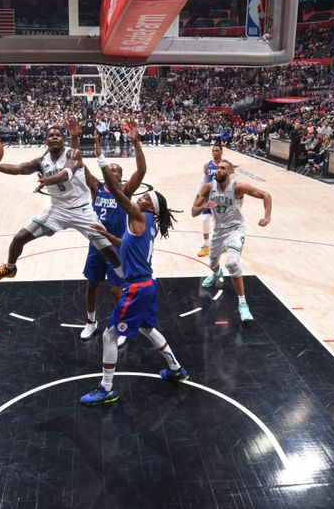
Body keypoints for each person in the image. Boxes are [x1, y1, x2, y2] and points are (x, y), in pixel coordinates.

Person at [80, 147, 187, 405]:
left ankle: (107, 389)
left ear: (150, 205)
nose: (140, 197)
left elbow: (117, 192)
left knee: (109, 336)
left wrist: (102, 160)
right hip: (148, 284)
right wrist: (107, 236)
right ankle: (176, 370)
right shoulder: (145, 223)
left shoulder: (139, 215)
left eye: (145, 197)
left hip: (137, 287)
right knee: (148, 328)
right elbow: (126, 243)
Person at [0, 121, 121, 283]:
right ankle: (10, 269)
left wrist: (48, 180)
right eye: (51, 136)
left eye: (58, 136)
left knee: (109, 251)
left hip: (82, 211)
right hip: (57, 211)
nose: (54, 138)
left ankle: (127, 276)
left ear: (63, 139)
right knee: (19, 238)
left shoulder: (73, 154)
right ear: (46, 140)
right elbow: (18, 169)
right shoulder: (41, 162)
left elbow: (67, 173)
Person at [80, 123, 147, 345]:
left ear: (121, 176)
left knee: (117, 289)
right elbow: (80, 165)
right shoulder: (96, 187)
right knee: (92, 283)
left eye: (116, 169)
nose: (112, 170)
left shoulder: (125, 191)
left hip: (118, 246)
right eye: (110, 168)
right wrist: (83, 142)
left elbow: (142, 171)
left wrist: (136, 143)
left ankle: (121, 325)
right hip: (96, 244)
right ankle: (91, 321)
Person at [192, 160, 272, 322]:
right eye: (217, 168)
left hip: (236, 229)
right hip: (218, 232)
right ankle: (216, 274)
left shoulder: (237, 187)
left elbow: (266, 195)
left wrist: (267, 216)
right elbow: (193, 211)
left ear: (229, 172)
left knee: (232, 263)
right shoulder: (208, 187)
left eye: (223, 168)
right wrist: (204, 206)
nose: (218, 171)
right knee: (213, 263)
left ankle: (243, 304)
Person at [196, 144, 223, 258]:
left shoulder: (226, 165)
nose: (214, 152)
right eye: (213, 150)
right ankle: (206, 245)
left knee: (219, 222)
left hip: (221, 197)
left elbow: (231, 181)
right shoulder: (207, 165)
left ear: (222, 151)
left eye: (217, 150)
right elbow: (204, 180)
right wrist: (198, 194)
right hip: (208, 196)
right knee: (205, 219)